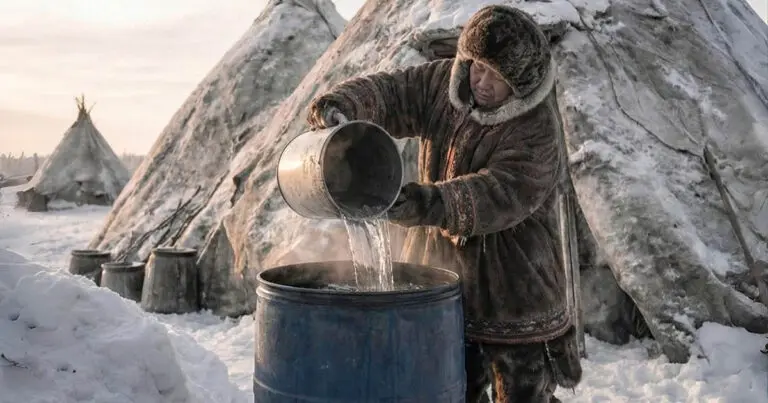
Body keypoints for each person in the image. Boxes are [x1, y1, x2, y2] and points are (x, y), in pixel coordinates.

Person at [307, 5, 582, 403]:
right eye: (478, 66)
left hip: (516, 283)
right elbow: (393, 94)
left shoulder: (536, 127)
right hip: (443, 276)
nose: (482, 82)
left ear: (519, 83)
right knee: (450, 387)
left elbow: (499, 193)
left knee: (523, 392)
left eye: (497, 76)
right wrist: (346, 106)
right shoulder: (444, 84)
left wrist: (426, 202)